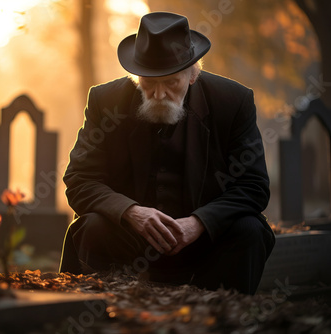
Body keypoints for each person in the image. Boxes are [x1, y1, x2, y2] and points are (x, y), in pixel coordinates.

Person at [59, 12, 275, 295]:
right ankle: (103, 314)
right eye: (149, 83)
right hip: (128, 242)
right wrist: (131, 212)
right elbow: (79, 179)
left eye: (171, 82)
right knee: (93, 225)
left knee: (250, 229)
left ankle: (221, 318)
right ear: (136, 76)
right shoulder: (105, 101)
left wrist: (199, 222)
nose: (159, 95)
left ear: (193, 74)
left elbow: (253, 185)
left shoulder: (233, 101)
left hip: (206, 245)